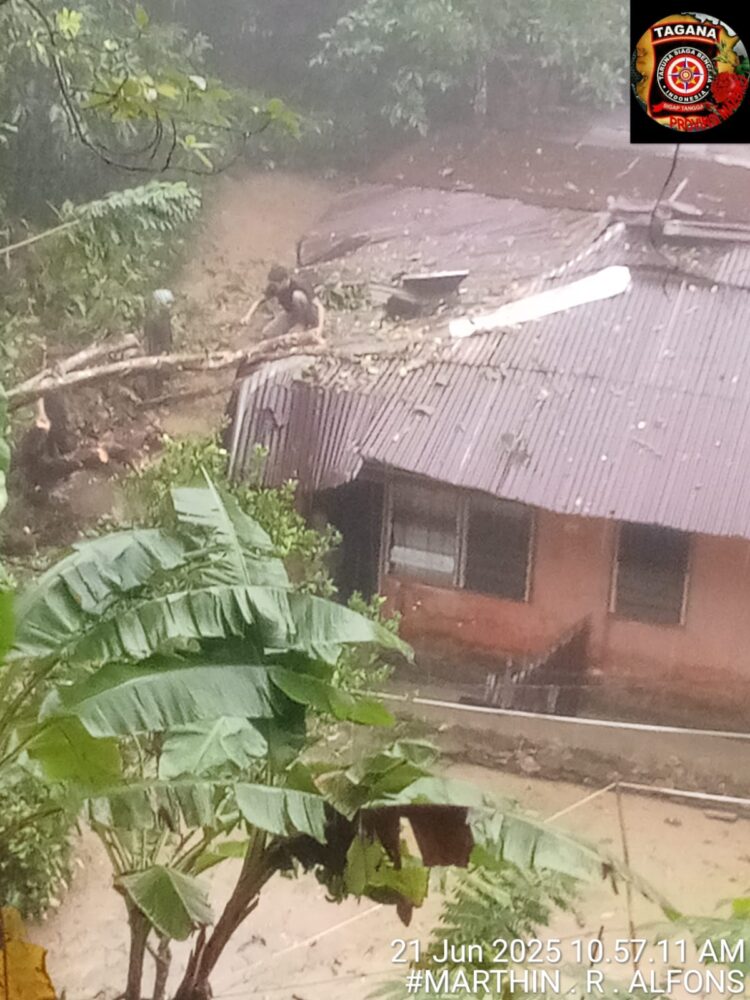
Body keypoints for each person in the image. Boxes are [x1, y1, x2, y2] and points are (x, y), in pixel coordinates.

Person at [241, 265, 325, 338]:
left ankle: (303, 325)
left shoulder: (300, 284)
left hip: (308, 313)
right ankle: (293, 328)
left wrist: (320, 329)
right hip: (290, 313)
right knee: (267, 333)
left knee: (297, 296)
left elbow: (320, 307)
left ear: (284, 280)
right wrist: (248, 316)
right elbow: (258, 301)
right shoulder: (274, 287)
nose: (274, 287)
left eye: (276, 284)